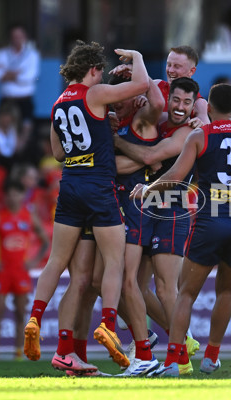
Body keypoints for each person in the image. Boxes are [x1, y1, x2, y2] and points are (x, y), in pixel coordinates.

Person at [22, 41, 150, 373]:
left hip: (70, 188)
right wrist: (136, 57)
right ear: (93, 69)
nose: (102, 77)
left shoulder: (57, 104)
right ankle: (108, 323)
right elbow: (141, 85)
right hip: (98, 187)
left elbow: (59, 153)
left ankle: (37, 319)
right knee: (114, 262)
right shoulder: (93, 94)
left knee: (59, 264)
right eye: (101, 72)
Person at [137, 83, 231, 377]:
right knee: (226, 289)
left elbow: (176, 175)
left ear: (209, 108)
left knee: (186, 292)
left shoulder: (200, 136)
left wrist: (148, 189)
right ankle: (212, 357)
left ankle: (174, 361)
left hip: (210, 221)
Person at [113, 77, 201, 375]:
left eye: (188, 103)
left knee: (165, 289)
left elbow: (150, 156)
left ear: (194, 106)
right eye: (176, 100)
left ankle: (180, 357)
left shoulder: (189, 131)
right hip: (147, 208)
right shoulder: (162, 124)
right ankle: (176, 344)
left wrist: (114, 140)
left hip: (172, 210)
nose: (180, 107)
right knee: (135, 285)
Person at [0, 180, 49, 361]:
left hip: (21, 272)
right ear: (6, 196)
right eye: (10, 194)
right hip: (3, 272)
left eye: (17, 194)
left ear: (23, 196)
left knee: (20, 314)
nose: (13, 197)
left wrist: (34, 260)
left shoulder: (29, 217)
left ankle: (18, 354)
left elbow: (45, 240)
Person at [0, 24, 40, 158]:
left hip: (25, 99)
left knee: (26, 128)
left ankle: (21, 154)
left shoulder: (32, 55)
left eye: (19, 36)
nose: (17, 39)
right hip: (7, 99)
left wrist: (7, 74)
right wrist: (16, 74)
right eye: (14, 36)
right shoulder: (2, 54)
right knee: (2, 127)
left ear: (25, 37)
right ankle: (3, 155)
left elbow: (29, 77)